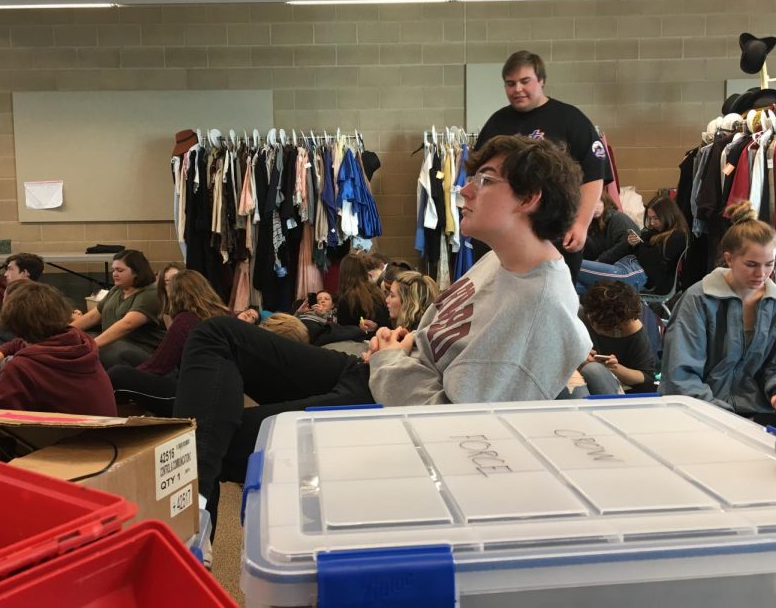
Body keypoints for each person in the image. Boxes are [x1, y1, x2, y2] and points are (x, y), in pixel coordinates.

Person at [173, 134, 591, 518]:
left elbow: (460, 431)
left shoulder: (539, 310)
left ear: (529, 198)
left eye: (485, 179)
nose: (464, 189)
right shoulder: (498, 259)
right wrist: (397, 343)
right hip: (378, 375)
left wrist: (391, 360)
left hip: (390, 411)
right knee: (215, 335)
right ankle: (198, 513)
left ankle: (191, 521)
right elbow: (434, 337)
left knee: (213, 440)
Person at [660, 201, 776, 416]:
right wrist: (725, 415)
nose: (761, 274)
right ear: (729, 259)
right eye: (751, 264)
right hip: (699, 413)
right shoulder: (698, 300)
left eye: (769, 264)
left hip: (755, 414)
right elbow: (680, 375)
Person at [472, 50, 610, 278]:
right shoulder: (496, 124)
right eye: (510, 83)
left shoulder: (571, 120)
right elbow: (478, 178)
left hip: (555, 234)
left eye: (525, 81)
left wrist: (581, 225)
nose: (517, 89)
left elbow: (594, 175)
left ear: (541, 80)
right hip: (506, 235)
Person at [0, 282, 116, 418]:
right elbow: (16, 344)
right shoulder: (80, 342)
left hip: (51, 444)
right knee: (2, 362)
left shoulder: (22, 367)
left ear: (15, 323)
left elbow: (2, 425)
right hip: (96, 438)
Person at [108, 269, 229, 416]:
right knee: (127, 355)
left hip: (190, 397)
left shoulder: (186, 320)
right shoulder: (224, 315)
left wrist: (133, 377)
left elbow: (159, 365)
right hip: (216, 392)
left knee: (118, 374)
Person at [71, 249, 164, 369]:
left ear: (136, 272)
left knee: (106, 348)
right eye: (113, 270)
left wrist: (91, 346)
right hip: (117, 345)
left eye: (120, 270)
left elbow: (127, 325)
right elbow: (93, 316)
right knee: (77, 339)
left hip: (143, 351)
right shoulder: (117, 289)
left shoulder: (151, 293)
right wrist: (65, 332)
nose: (114, 274)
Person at [576, 194, 687, 295]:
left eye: (656, 218)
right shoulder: (654, 232)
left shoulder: (678, 236)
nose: (652, 223)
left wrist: (638, 245)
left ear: (668, 216)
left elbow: (651, 261)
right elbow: (623, 250)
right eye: (649, 218)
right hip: (624, 267)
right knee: (573, 285)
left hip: (635, 274)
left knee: (573, 264)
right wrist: (630, 244)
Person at [579, 281, 657, 394]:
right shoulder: (581, 316)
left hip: (622, 387)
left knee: (593, 370)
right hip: (582, 380)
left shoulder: (631, 326)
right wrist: (577, 358)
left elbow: (646, 377)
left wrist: (615, 368)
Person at [335, 252, 390, 334]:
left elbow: (343, 331)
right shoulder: (377, 292)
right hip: (382, 337)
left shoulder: (346, 300)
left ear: (343, 273)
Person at [583, 192, 638, 263]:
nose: (594, 207)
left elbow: (624, 247)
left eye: (598, 202)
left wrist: (598, 261)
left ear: (605, 202)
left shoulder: (618, 218)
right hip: (609, 263)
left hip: (627, 264)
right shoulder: (592, 222)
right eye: (590, 204)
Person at [156, 261, 186, 328]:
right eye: (167, 282)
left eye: (175, 279)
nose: (171, 286)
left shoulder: (195, 311)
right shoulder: (167, 312)